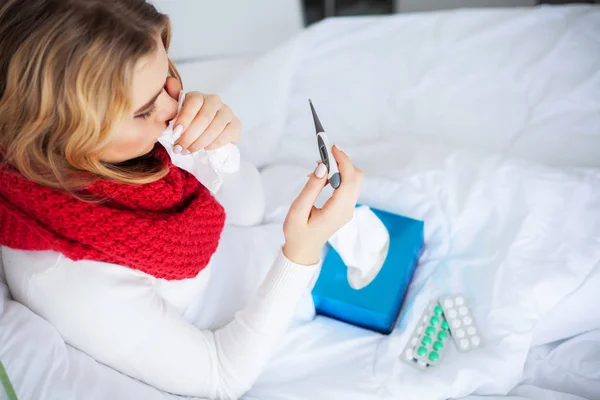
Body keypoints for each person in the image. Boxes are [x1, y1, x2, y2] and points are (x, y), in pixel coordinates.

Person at [0, 0, 363, 399]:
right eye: (143, 111)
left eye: (168, 76)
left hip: (253, 256)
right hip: (252, 321)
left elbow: (245, 209)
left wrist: (219, 148)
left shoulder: (127, 151)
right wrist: (301, 252)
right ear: (62, 139)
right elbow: (221, 377)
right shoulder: (66, 279)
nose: (174, 107)